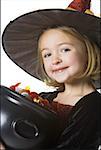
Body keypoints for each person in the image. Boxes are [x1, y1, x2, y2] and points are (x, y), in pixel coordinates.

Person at [1, 0, 101, 149]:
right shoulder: (42, 99)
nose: (55, 59)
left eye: (65, 49)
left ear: (88, 53)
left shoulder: (94, 107)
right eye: (47, 54)